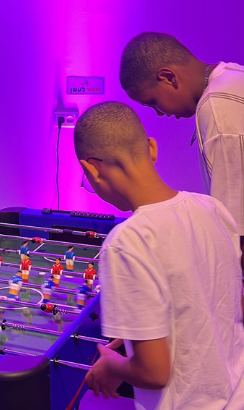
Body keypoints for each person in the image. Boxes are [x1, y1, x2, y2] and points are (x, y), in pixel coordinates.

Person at [74, 101, 244, 409]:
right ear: (151, 148)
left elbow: (153, 373)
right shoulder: (213, 208)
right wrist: (136, 337)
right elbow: (228, 305)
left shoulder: (126, 242)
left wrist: (112, 365)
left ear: (92, 169)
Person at [120, 32, 244, 264]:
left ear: (169, 77)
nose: (159, 113)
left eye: (153, 103)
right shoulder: (234, 76)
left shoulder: (217, 106)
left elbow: (235, 232)